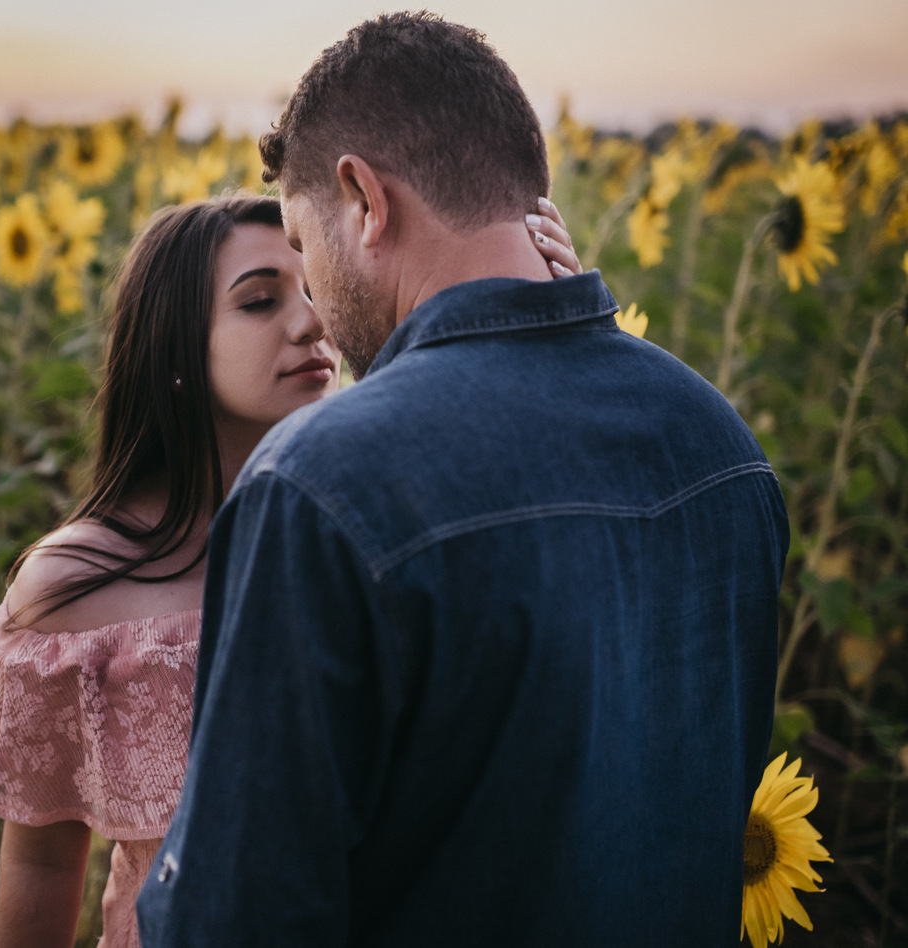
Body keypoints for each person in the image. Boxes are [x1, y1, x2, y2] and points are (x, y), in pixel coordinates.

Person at [136, 12, 789, 948]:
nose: (312, 303)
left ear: (364, 199)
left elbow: (234, 919)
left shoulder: (320, 486)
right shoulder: (722, 445)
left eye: (301, 243)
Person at [0, 191, 579, 947]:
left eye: (315, 289)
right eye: (259, 302)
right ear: (176, 341)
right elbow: (46, 868)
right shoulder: (75, 588)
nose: (312, 320)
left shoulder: (393, 524)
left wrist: (556, 341)